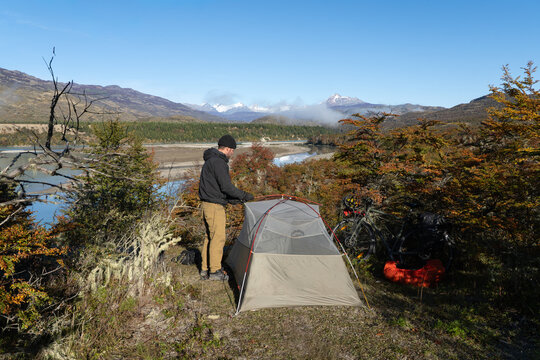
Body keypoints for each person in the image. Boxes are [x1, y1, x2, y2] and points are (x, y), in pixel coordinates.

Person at [199, 134, 254, 280]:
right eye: (232, 151)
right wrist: (243, 195)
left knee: (209, 237)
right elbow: (226, 186)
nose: (232, 154)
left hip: (207, 204)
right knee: (218, 238)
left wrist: (231, 200)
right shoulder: (219, 162)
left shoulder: (211, 160)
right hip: (214, 207)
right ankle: (215, 271)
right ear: (228, 149)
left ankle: (205, 269)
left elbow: (216, 188)